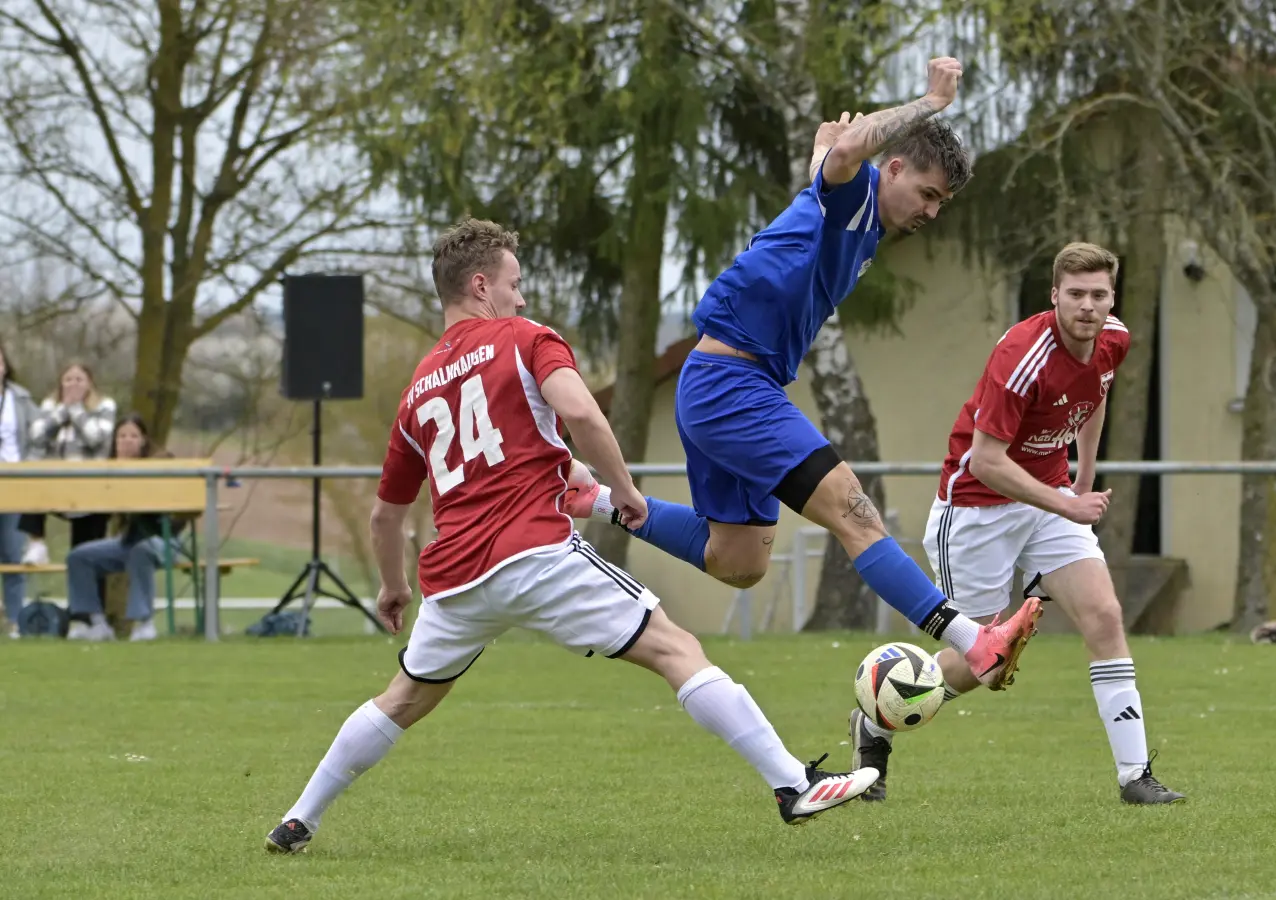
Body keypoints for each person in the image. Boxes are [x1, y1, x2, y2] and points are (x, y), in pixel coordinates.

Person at [264, 219, 878, 855]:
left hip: (455, 581)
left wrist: (393, 587)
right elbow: (581, 410)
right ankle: (792, 785)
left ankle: (298, 819)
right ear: (481, 286)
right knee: (675, 648)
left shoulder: (416, 392)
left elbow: (385, 517)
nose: (522, 296)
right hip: (534, 554)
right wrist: (626, 490)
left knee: (402, 699)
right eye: (514, 282)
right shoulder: (525, 338)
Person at [564, 57, 1044, 692]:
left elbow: (826, 172)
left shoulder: (854, 213)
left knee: (738, 562)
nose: (932, 211)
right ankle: (973, 641)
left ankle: (594, 499)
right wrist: (929, 102)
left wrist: (824, 154)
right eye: (928, 194)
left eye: (942, 203)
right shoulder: (858, 191)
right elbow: (844, 159)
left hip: (721, 386)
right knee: (857, 514)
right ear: (893, 168)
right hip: (731, 387)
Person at [840, 243, 1184, 805]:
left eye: (1099, 295)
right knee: (981, 664)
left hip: (1048, 499)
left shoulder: (1113, 339)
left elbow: (1094, 393)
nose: (1088, 306)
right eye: (1076, 294)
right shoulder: (1023, 356)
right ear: (1054, 296)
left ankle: (1135, 776)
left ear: (1112, 298)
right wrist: (1068, 505)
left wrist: (1082, 477)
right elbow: (985, 462)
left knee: (1104, 615)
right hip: (976, 510)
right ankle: (876, 722)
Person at [64, 415, 180, 642]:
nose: (127, 441)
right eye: (122, 436)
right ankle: (96, 623)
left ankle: (144, 624)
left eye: (133, 436)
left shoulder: (159, 464)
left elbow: (175, 514)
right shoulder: (110, 471)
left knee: (140, 551)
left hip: (163, 540)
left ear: (143, 440)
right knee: (78, 557)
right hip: (128, 540)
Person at [19, 361, 117, 566]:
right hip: (56, 482)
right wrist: (63, 410)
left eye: (79, 380)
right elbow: (37, 436)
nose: (73, 384)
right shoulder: (50, 405)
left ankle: (86, 583)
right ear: (61, 383)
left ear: (89, 383)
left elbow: (95, 438)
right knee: (33, 481)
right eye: (68, 380)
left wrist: (76, 409)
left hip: (89, 486)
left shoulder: (105, 405)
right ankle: (36, 542)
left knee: (84, 556)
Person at [0, 337, 37, 638]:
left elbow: (38, 436)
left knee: (13, 553)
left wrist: (29, 468)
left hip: (14, 482)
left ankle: (15, 621)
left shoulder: (21, 399)